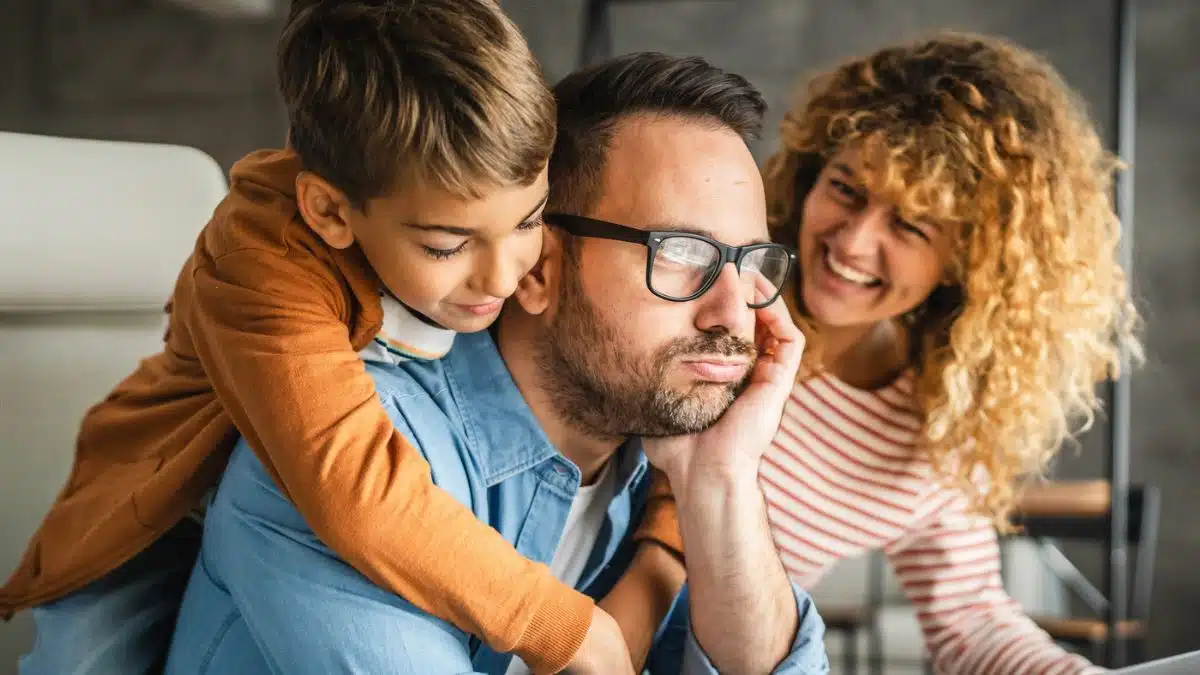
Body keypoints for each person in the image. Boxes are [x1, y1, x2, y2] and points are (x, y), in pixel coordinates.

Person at [5, 3, 685, 674]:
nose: (504, 276)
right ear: (330, 212)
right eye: (447, 245)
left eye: (529, 221)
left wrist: (670, 527)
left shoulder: (473, 227)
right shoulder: (259, 264)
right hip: (170, 502)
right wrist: (562, 625)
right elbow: (355, 489)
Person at [161, 51, 830, 675]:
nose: (732, 314)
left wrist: (720, 481)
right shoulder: (343, 464)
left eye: (752, 262)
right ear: (536, 266)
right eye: (682, 253)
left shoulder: (648, 464)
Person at [757, 32, 1141, 674]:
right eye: (847, 189)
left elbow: (971, 622)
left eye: (910, 225)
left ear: (967, 259)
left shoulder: (937, 424)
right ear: (811, 171)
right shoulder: (719, 284)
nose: (853, 242)